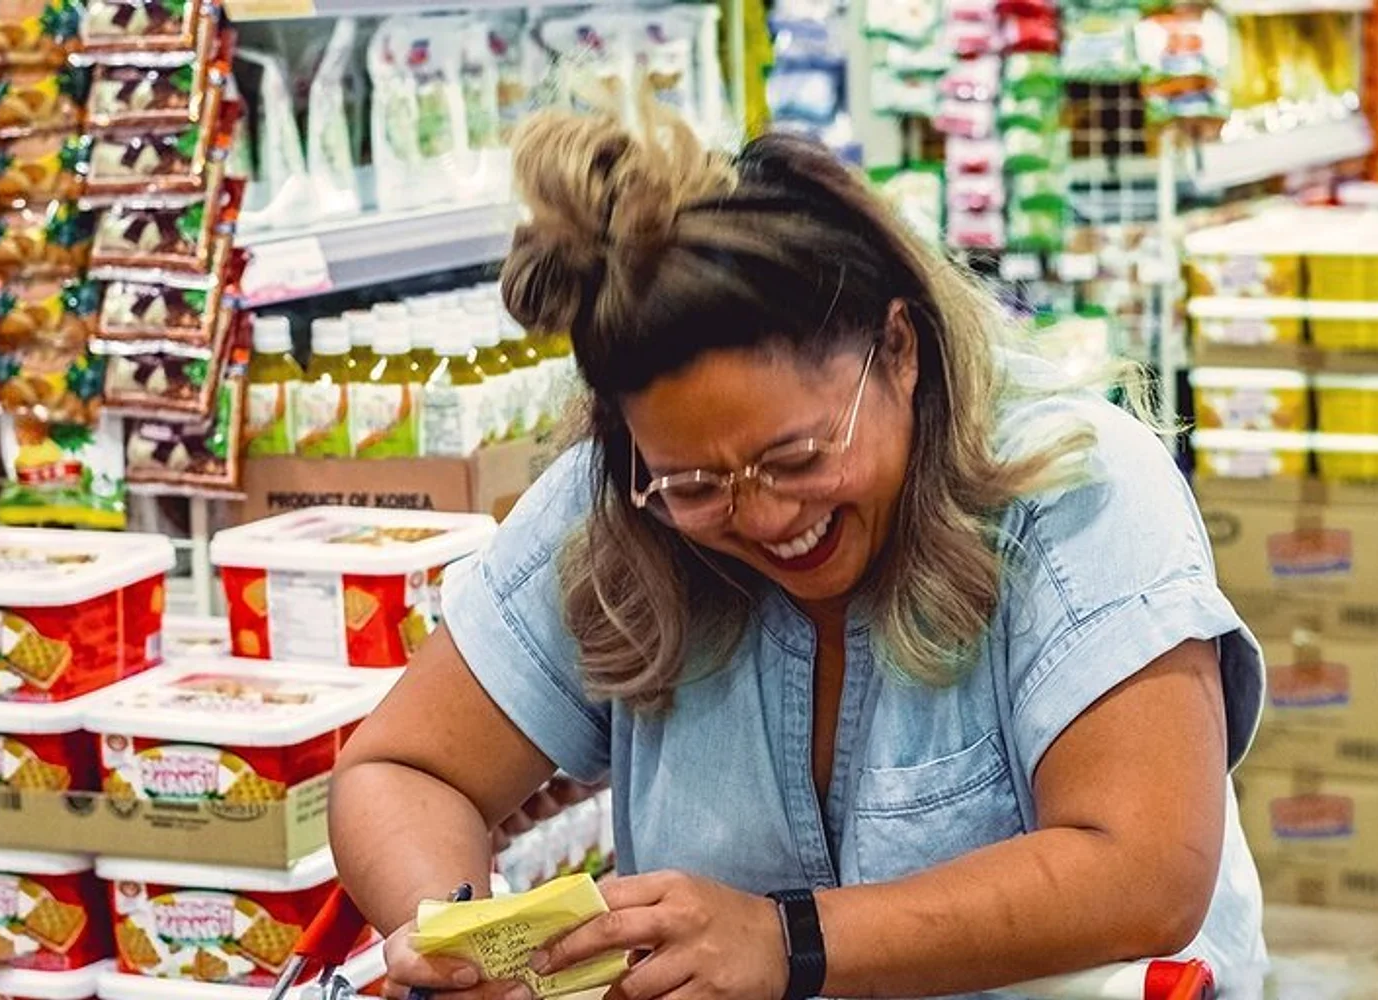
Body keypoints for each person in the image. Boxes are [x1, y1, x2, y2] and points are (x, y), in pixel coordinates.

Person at [331, 104, 1269, 1000]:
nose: (764, 515)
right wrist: (462, 945)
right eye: (697, 484)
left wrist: (789, 942)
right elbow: (404, 770)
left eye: (797, 458)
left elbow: (1145, 871)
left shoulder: (1074, 492)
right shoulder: (618, 505)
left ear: (898, 348)